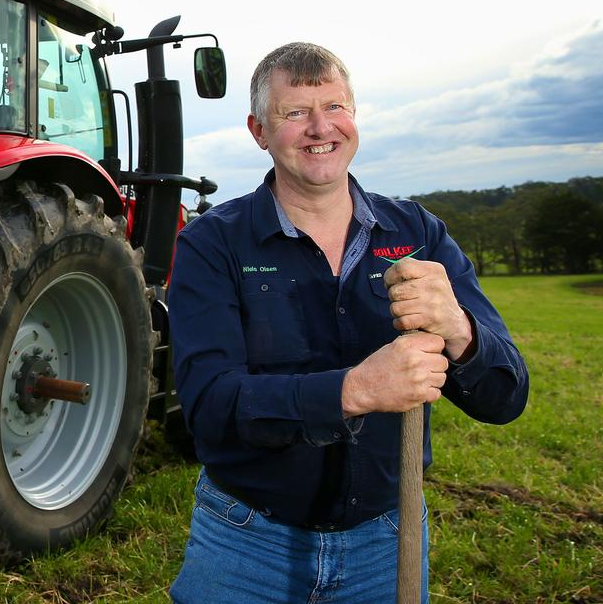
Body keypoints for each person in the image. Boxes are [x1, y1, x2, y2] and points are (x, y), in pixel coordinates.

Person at [167, 43, 529, 603]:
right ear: (259, 131)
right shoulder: (212, 244)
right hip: (246, 543)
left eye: (334, 107)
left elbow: (505, 399)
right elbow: (209, 410)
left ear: (354, 117)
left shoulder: (420, 234)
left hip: (386, 544)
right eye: (294, 113)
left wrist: (458, 328)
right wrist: (356, 390)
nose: (320, 128)